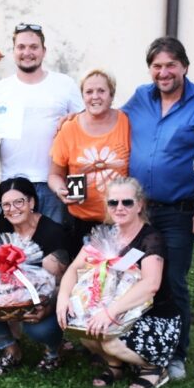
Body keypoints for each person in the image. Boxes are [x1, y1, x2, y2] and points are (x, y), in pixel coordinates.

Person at [121, 36, 194, 379]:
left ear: (184, 67)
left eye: (170, 65)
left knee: (171, 281)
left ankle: (175, 353)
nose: (163, 73)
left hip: (181, 210)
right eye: (157, 66)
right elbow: (109, 123)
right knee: (134, 278)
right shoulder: (138, 98)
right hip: (139, 212)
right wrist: (72, 122)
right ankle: (136, 346)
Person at [56, 177, 179, 388]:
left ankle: (154, 368)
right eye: (113, 202)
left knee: (109, 340)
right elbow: (73, 269)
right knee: (83, 328)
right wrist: (63, 298)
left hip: (154, 317)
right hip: (114, 311)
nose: (119, 208)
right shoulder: (104, 235)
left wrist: (109, 313)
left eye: (127, 202)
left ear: (140, 205)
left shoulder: (150, 239)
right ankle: (115, 365)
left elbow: (151, 284)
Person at [0, 23, 84, 224]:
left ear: (43, 51)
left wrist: (72, 121)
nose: (27, 52)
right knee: (11, 251)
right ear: (13, 51)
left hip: (54, 184)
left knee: (54, 251)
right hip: (12, 185)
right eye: (21, 47)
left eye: (33, 47)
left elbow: (84, 127)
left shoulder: (65, 84)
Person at [0, 177, 70, 375]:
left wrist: (47, 308)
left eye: (19, 202)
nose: (12, 209)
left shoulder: (51, 232)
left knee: (38, 329)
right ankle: (11, 349)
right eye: (6, 204)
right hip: (7, 294)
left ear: (32, 202)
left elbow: (58, 286)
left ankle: (54, 351)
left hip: (43, 299)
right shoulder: (2, 223)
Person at [48, 69, 130, 258]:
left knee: (119, 277)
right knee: (82, 279)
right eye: (89, 92)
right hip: (80, 221)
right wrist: (61, 190)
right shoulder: (69, 128)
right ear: (82, 96)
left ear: (112, 95)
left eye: (101, 91)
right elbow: (54, 175)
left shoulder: (126, 122)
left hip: (121, 219)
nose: (95, 97)